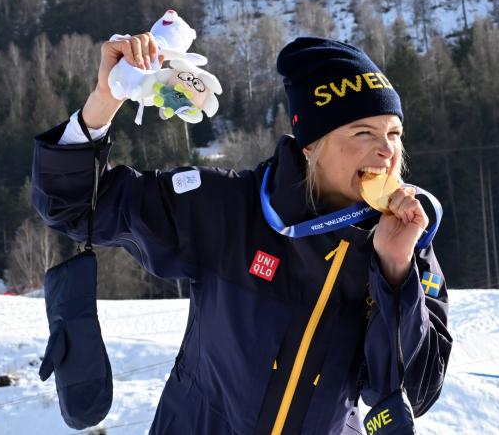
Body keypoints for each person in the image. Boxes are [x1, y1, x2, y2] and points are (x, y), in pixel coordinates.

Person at [32, 34, 452, 434]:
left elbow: (414, 393)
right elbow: (73, 206)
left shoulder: (408, 240)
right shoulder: (230, 206)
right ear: (312, 146)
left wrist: (395, 272)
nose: (387, 150)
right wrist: (106, 99)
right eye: (363, 133)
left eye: (394, 133)